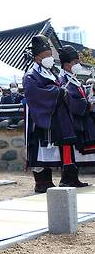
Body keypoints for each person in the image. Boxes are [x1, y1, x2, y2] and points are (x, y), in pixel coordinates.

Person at [23, 35, 83, 192]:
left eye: (50, 54)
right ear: (37, 57)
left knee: (50, 151)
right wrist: (57, 91)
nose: (50, 57)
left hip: (54, 116)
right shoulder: (31, 75)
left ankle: (49, 180)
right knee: (40, 149)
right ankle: (41, 182)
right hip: (40, 116)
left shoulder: (52, 73)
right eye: (46, 55)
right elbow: (35, 94)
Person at [57, 45, 95, 184]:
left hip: (78, 119)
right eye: (74, 62)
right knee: (68, 151)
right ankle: (67, 179)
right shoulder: (62, 80)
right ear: (66, 64)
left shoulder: (73, 78)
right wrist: (86, 106)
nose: (77, 65)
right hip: (68, 120)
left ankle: (73, 178)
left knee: (74, 152)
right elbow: (67, 100)